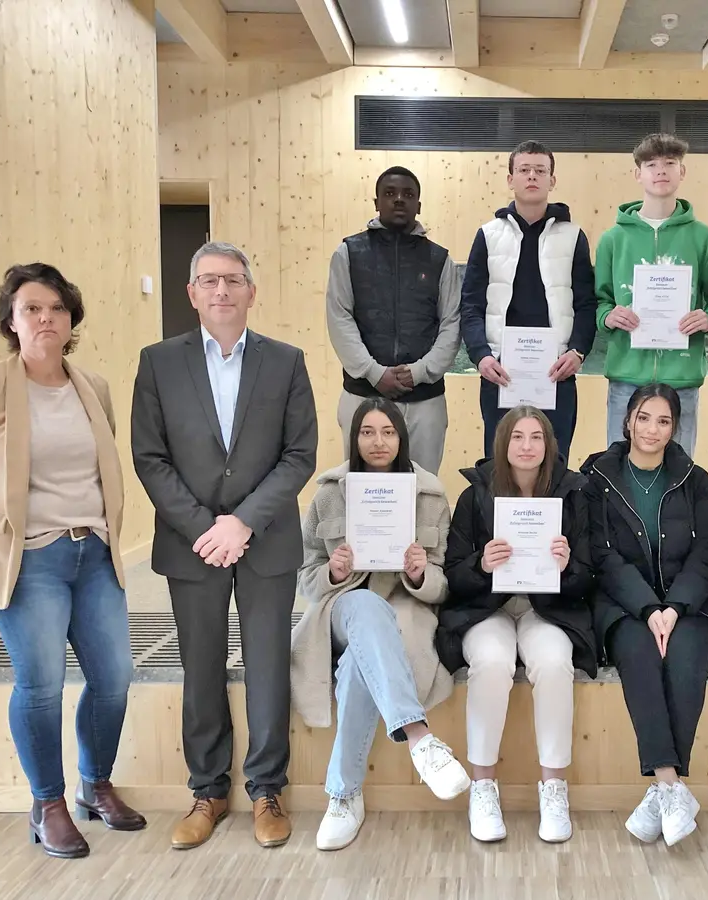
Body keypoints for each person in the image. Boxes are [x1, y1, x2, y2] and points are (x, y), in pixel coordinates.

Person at [0, 263, 146, 859]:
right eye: (31, 309)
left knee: (115, 679)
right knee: (42, 685)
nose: (45, 317)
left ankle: (94, 786)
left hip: (95, 554)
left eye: (56, 307)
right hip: (31, 563)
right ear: (11, 321)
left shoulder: (91, 386)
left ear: (71, 318)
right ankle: (47, 802)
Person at [131, 241, 319, 851]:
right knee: (201, 666)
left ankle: (267, 790)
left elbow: (299, 456)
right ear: (191, 292)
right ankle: (207, 791)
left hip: (264, 539)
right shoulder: (158, 362)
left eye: (233, 280)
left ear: (251, 291)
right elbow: (150, 457)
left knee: (267, 667)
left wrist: (243, 522)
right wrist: (203, 527)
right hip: (193, 545)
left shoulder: (286, 362)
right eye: (208, 280)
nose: (221, 291)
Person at [290, 398, 472, 851]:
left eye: (387, 432)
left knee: (357, 665)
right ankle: (420, 737)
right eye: (367, 432)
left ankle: (343, 795)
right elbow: (306, 581)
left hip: (405, 607)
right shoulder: (329, 491)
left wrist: (418, 573)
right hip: (341, 607)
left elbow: (444, 584)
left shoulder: (428, 494)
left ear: (401, 438)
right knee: (366, 609)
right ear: (354, 438)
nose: (377, 441)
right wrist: (333, 571)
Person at [581, 383, 708, 847]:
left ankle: (662, 792)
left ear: (675, 428)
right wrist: (648, 608)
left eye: (664, 421)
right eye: (645, 417)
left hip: (688, 603)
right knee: (639, 658)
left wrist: (674, 608)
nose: (653, 429)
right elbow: (601, 555)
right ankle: (671, 783)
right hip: (624, 603)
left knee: (687, 659)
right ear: (628, 419)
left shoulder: (695, 477)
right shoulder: (598, 475)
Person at [435, 406, 596, 844]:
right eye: (518, 437)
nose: (527, 446)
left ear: (549, 445)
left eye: (536, 437)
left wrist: (566, 566)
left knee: (554, 661)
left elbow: (588, 577)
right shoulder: (475, 495)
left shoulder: (573, 494)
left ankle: (553, 786)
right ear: (502, 444)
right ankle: (483, 785)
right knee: (490, 662)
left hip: (547, 609)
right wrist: (481, 563)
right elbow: (453, 574)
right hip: (488, 610)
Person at [460, 141, 597, 463]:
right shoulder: (488, 235)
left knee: (555, 465)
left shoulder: (573, 236)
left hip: (556, 373)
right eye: (523, 170)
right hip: (500, 371)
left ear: (552, 180)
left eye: (540, 170)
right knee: (500, 466)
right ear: (510, 179)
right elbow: (470, 305)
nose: (531, 176)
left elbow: (587, 304)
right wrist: (481, 356)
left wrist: (577, 352)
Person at [594, 133, 708, 455]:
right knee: (618, 473)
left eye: (670, 163)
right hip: (626, 378)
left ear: (682, 172)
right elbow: (598, 303)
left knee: (678, 477)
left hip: (681, 380)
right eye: (651, 164)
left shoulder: (705, 239)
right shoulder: (613, 240)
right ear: (637, 173)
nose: (661, 170)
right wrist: (608, 315)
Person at [326, 165, 461, 473]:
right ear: (376, 203)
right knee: (363, 494)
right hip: (362, 395)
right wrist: (373, 372)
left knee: (423, 490)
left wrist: (420, 372)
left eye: (408, 194)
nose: (399, 200)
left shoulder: (441, 260)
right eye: (390, 194)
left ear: (419, 205)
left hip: (425, 400)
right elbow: (340, 317)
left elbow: (451, 323)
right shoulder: (349, 253)